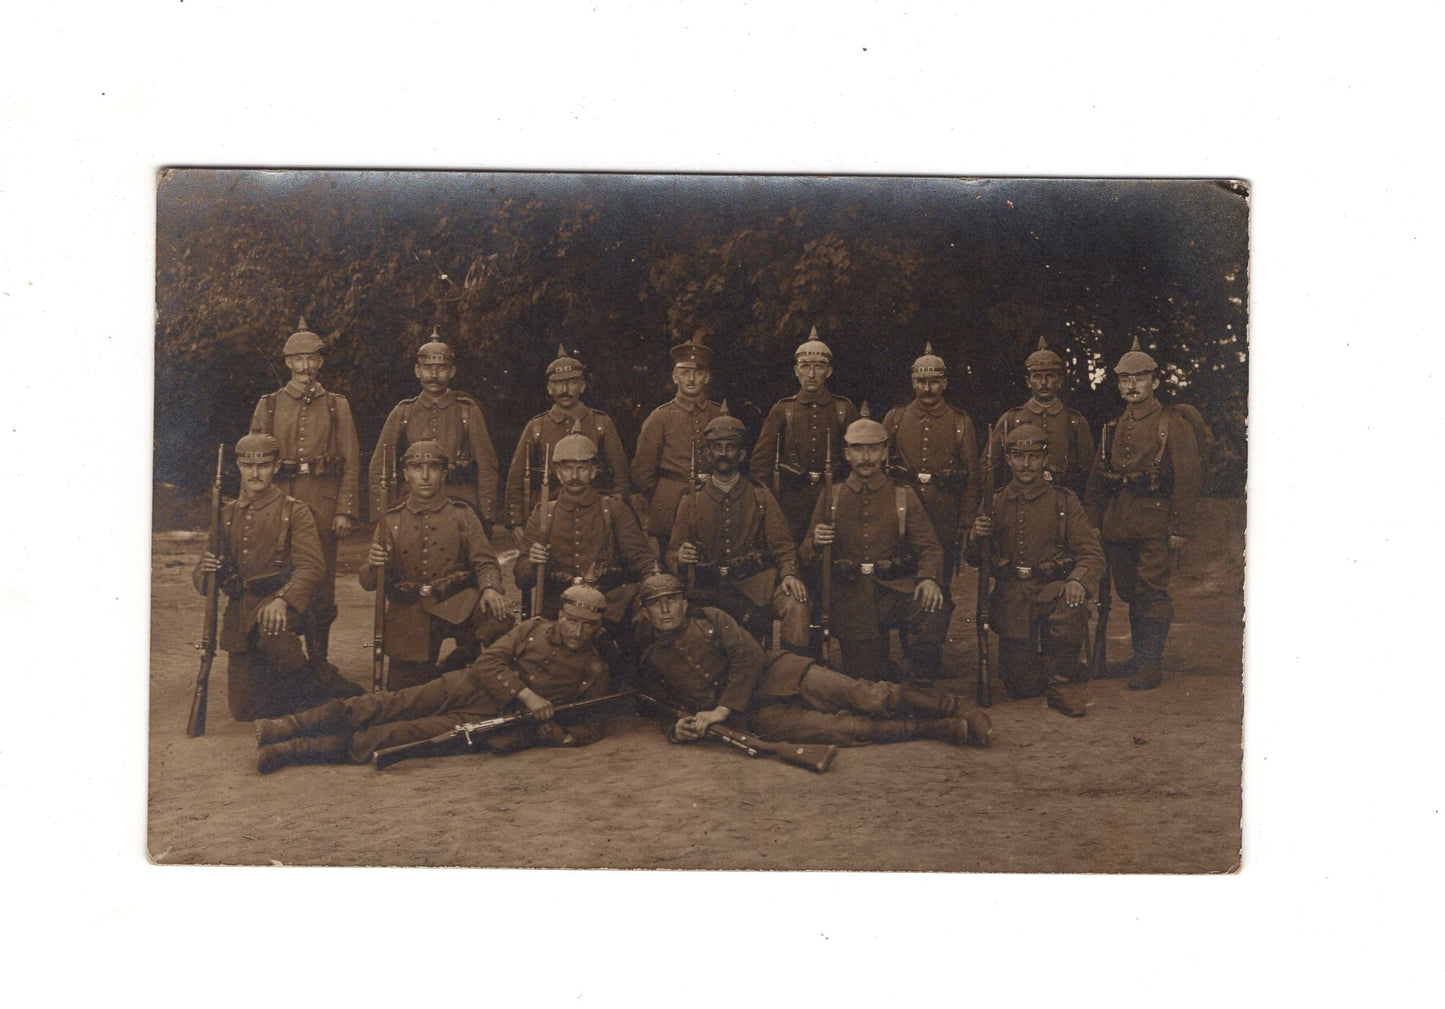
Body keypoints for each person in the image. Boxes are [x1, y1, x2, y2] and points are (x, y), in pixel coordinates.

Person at [252, 584, 614, 772]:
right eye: (571, 620)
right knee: (387, 704)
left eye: (587, 625)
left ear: (597, 628)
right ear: (560, 614)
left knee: (399, 735)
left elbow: (595, 722)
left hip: (485, 720)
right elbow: (488, 662)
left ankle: (294, 751)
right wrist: (529, 696)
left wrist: (567, 736)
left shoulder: (594, 668)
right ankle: (289, 725)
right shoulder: (533, 628)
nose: (577, 631)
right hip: (466, 684)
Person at [635, 574, 989, 748]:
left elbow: (749, 658)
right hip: (757, 716)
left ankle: (952, 705)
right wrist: (676, 728)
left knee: (867, 695)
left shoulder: (710, 618)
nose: (665, 609)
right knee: (847, 730)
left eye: (671, 599)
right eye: (656, 603)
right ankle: (939, 729)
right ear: (646, 612)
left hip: (781, 673)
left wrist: (721, 711)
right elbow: (662, 706)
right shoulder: (650, 658)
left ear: (684, 601)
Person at [193, 433, 363, 722]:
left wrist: (283, 600)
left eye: (263, 465)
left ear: (275, 467)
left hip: (283, 607)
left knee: (271, 631)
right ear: (239, 466)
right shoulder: (226, 514)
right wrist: (207, 572)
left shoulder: (294, 512)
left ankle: (318, 687)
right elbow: (203, 577)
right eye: (248, 465)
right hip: (241, 612)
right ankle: (295, 686)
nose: (255, 473)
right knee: (246, 710)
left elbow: (311, 568)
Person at [1085, 337, 1202, 691]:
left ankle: (1150, 665)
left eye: (1139, 378)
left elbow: (1189, 476)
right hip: (1118, 522)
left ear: (1155, 381)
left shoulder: (1173, 423)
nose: (1131, 386)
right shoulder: (1112, 426)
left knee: (1151, 590)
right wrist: (1093, 522)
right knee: (1129, 590)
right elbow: (1096, 479)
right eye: (1124, 379)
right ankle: (1139, 657)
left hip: (1155, 520)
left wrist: (1179, 526)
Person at [799, 410, 949, 682]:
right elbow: (806, 553)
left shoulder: (903, 495)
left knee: (932, 606)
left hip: (892, 592)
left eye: (873, 449)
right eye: (858, 449)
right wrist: (816, 542)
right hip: (850, 596)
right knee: (867, 678)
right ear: (847, 454)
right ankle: (888, 669)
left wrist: (928, 579)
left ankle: (920, 674)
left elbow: (929, 546)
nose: (866, 457)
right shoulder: (831, 495)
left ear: (884, 452)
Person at [967, 424, 1104, 717]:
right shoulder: (995, 500)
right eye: (1018, 456)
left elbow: (1091, 554)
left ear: (1044, 459)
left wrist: (1078, 580)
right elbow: (974, 559)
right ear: (1008, 460)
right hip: (1013, 595)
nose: (1026, 464)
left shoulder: (1064, 501)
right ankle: (1053, 664)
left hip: (1052, 589)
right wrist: (976, 536)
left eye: (1033, 456)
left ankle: (1061, 683)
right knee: (1019, 686)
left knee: (1072, 603)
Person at [249, 317, 362, 663]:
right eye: (298, 360)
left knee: (321, 584)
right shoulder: (269, 404)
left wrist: (345, 509)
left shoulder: (335, 405)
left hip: (322, 506)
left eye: (312, 359)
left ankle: (319, 662)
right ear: (287, 363)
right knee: (274, 573)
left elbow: (351, 459)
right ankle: (281, 658)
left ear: (321, 362)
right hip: (277, 503)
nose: (305, 367)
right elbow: (251, 458)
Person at [360, 440, 514, 691]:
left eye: (432, 468)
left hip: (456, 604)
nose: (424, 476)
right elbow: (368, 582)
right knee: (407, 694)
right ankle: (445, 670)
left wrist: (490, 589)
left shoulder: (462, 514)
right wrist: (374, 565)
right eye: (416, 467)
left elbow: (485, 562)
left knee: (498, 618)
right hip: (410, 609)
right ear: (406, 473)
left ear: (444, 473)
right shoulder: (392, 519)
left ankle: (497, 676)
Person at [666, 406, 810, 651]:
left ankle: (789, 672)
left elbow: (783, 545)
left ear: (742, 454)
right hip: (708, 590)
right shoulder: (692, 499)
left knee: (795, 604)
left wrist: (788, 574)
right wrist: (680, 557)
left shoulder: (760, 494)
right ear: (708, 454)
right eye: (717, 447)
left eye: (730, 447)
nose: (723, 453)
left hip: (756, 587)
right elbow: (672, 552)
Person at [516, 433, 660, 626]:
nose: (574, 476)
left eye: (582, 468)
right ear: (558, 472)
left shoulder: (613, 508)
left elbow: (640, 558)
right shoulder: (544, 512)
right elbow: (521, 577)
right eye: (567, 469)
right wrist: (533, 562)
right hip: (559, 607)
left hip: (607, 606)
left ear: (593, 471)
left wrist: (655, 581)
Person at [367, 332, 501, 533]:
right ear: (417, 371)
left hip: (460, 500)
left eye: (442, 368)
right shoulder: (403, 412)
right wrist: (381, 515)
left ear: (452, 371)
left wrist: (487, 515)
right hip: (411, 504)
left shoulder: (467, 411)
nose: (434, 375)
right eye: (428, 368)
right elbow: (380, 465)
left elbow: (486, 465)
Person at [503, 343, 630, 546]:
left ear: (582, 386)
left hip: (595, 515)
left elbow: (620, 476)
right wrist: (515, 522)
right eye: (558, 384)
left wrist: (616, 513)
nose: (564, 390)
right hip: (549, 514)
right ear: (549, 388)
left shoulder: (600, 424)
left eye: (571, 383)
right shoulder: (537, 427)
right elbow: (516, 477)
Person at [882, 342, 981, 603]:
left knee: (940, 581)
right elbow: (881, 469)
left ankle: (932, 640)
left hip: (944, 514)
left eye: (934, 382)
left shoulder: (960, 422)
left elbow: (972, 474)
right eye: (921, 381)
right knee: (903, 581)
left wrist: (966, 521)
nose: (927, 388)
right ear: (913, 383)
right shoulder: (896, 418)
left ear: (945, 383)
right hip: (902, 514)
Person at [749, 327, 859, 541]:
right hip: (791, 502)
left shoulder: (843, 409)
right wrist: (769, 505)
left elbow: (856, 460)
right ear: (795, 370)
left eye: (818, 367)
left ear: (828, 371)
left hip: (833, 497)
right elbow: (760, 464)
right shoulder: (783, 410)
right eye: (805, 366)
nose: (811, 374)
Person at [630, 333, 723, 550]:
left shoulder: (719, 414)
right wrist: (664, 495)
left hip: (713, 497)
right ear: (674, 376)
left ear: (707, 377)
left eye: (698, 372)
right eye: (685, 372)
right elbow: (641, 472)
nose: (691, 379)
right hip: (670, 502)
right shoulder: (660, 417)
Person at [986, 336, 1095, 498]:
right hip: (1018, 503)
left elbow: (1090, 474)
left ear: (1060, 381)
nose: (1044, 382)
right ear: (1028, 382)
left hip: (1063, 504)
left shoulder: (1075, 421)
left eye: (1050, 376)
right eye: (1037, 377)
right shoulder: (1011, 419)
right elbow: (989, 467)